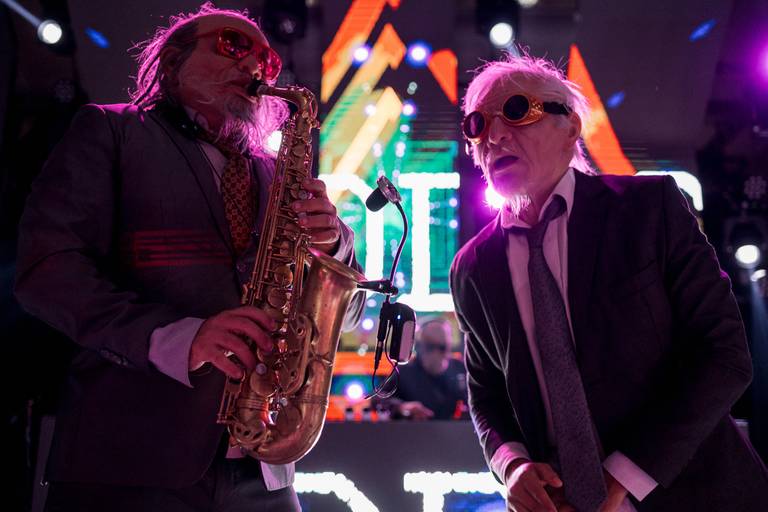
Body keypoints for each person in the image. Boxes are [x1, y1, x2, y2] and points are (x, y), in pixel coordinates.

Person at [14, 4, 363, 511]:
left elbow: (345, 313)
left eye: (267, 61)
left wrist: (332, 245)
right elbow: (47, 271)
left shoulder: (277, 171)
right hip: (129, 461)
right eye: (232, 45)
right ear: (172, 60)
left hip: (261, 467)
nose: (254, 65)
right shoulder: (110, 130)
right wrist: (179, 338)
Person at [449, 53, 768, 512]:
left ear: (571, 127)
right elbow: (487, 395)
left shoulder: (648, 209)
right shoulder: (473, 267)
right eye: (477, 124)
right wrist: (511, 464)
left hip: (702, 496)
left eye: (516, 111)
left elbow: (725, 355)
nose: (494, 136)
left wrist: (625, 473)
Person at [379, 317, 467, 420]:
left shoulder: (460, 368)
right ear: (419, 346)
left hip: (454, 430)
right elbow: (379, 399)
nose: (436, 353)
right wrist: (403, 408)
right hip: (415, 429)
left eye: (441, 347)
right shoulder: (404, 372)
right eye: (430, 347)